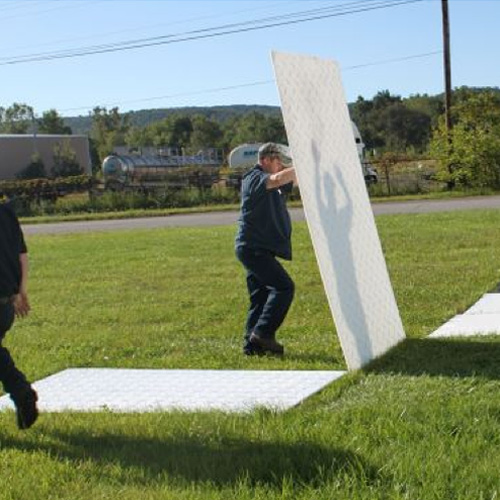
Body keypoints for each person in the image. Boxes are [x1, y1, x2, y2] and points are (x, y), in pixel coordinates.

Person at [235, 142, 297, 356]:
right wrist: (306, 164)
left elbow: (289, 179)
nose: (281, 166)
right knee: (284, 287)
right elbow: (279, 179)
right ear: (265, 160)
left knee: (260, 296)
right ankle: (263, 333)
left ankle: (251, 346)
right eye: (278, 161)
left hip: (260, 247)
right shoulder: (253, 178)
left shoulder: (274, 180)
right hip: (253, 248)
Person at [0, 196, 39, 429]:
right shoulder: (7, 214)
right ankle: (22, 394)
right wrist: (20, 292)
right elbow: (22, 256)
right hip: (5, 304)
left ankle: (22, 392)